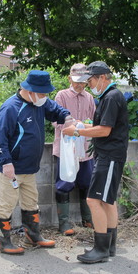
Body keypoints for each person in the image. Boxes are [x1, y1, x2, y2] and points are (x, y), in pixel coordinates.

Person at [0, 70, 73, 255]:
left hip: (29, 168)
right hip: (10, 169)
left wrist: (67, 117)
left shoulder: (39, 102)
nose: (45, 97)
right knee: (6, 204)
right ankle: (2, 242)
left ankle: (32, 236)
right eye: (42, 93)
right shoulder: (11, 108)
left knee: (31, 202)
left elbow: (55, 110)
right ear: (30, 90)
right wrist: (5, 162)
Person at [62, 61, 129, 264]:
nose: (89, 84)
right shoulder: (110, 96)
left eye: (90, 80)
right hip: (109, 155)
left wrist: (76, 130)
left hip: (109, 156)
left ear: (101, 77)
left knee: (94, 200)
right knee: (108, 201)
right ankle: (109, 247)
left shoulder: (111, 97)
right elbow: (102, 125)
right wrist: (86, 124)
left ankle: (101, 249)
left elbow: (104, 131)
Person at [52, 63, 96, 235]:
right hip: (66, 149)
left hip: (85, 149)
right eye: (76, 81)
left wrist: (85, 126)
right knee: (65, 183)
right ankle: (64, 223)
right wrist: (75, 124)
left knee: (87, 183)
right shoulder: (61, 96)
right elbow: (56, 121)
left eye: (83, 82)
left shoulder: (90, 98)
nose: (80, 85)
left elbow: (93, 121)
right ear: (69, 79)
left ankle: (88, 219)